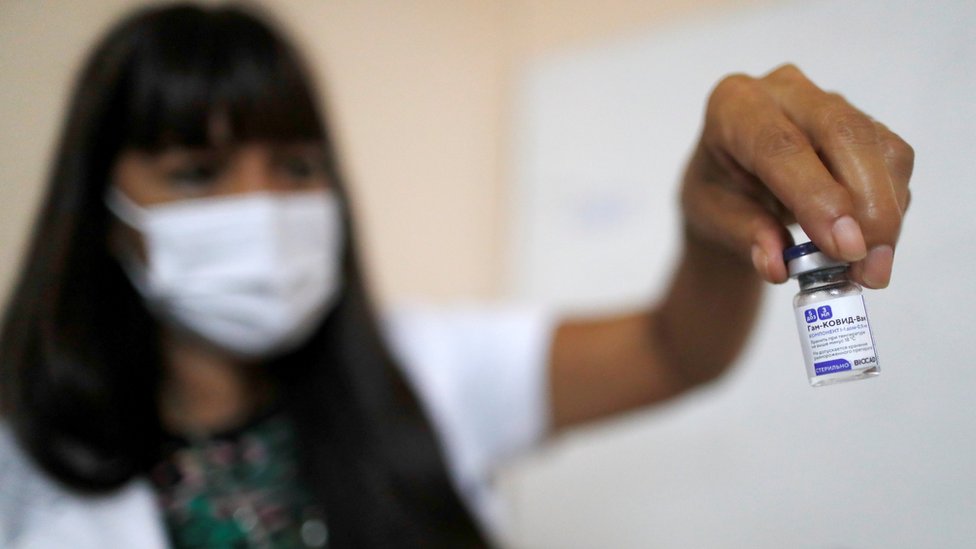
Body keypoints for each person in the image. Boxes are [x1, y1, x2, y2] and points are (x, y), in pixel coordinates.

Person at [0, 3, 912, 549]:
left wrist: (712, 217)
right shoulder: (27, 464)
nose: (262, 206)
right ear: (106, 216)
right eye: (196, 174)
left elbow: (674, 350)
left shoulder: (424, 371)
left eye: (297, 166)